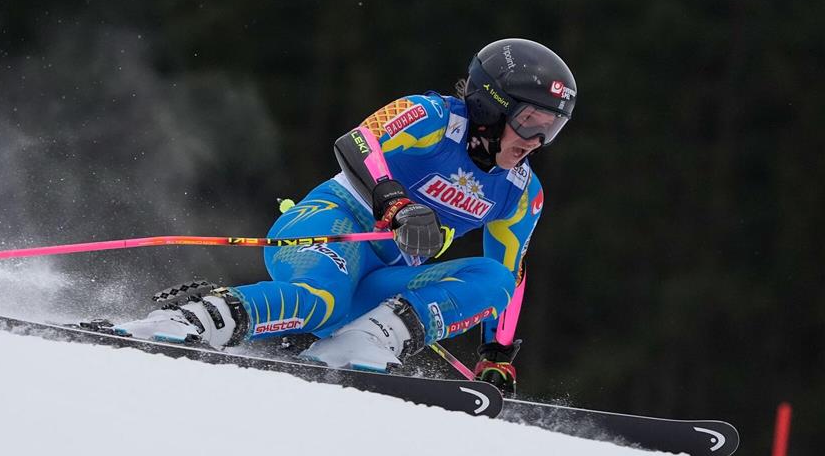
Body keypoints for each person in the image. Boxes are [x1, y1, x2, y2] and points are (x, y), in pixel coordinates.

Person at [116, 38, 577, 396]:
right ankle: (188, 321)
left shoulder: (521, 192)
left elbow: (511, 273)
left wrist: (496, 354)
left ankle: (362, 341)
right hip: (332, 227)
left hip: (379, 284)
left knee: (493, 279)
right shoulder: (432, 117)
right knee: (323, 298)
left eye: (552, 128)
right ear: (491, 106)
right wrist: (395, 203)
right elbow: (356, 142)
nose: (537, 140)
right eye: (531, 121)